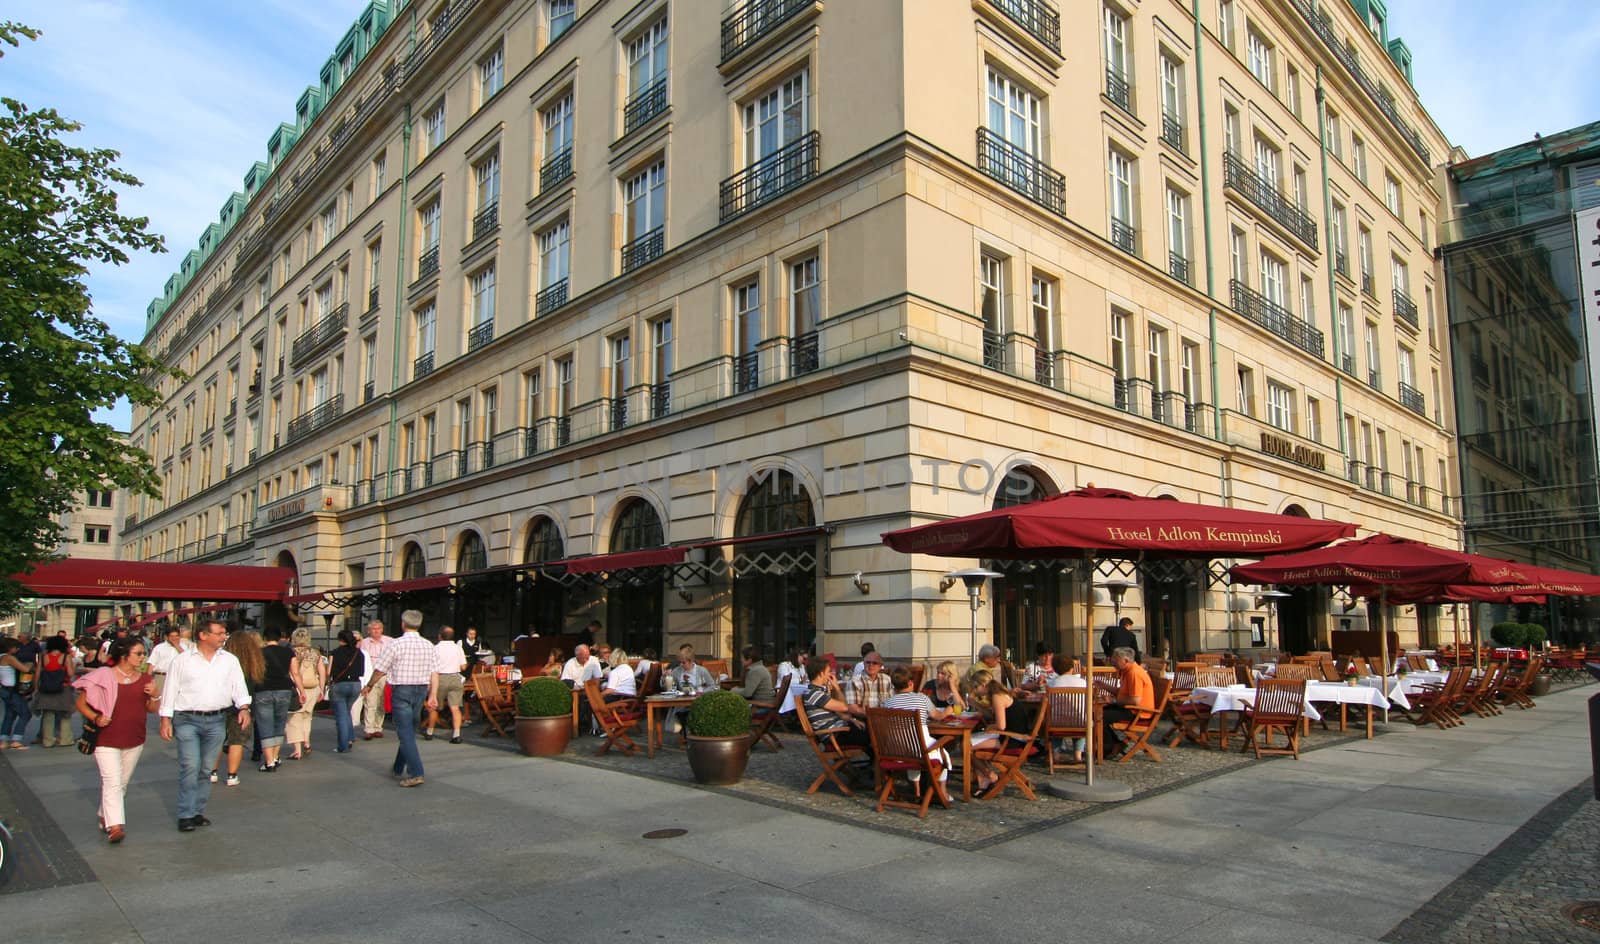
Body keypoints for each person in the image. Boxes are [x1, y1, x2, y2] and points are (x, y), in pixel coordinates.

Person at [159, 620, 252, 832]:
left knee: (206, 768)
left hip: (217, 719)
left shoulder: (229, 660)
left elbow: (239, 686)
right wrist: (165, 719)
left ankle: (197, 811)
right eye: (219, 633)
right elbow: (170, 689)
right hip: (187, 718)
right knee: (190, 765)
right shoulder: (182, 661)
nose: (223, 637)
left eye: (224, 633)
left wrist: (244, 708)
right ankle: (185, 813)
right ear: (203, 635)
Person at [72, 638, 160, 843]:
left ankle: (105, 815)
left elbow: (152, 709)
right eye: (138, 653)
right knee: (112, 782)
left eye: (142, 653)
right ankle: (115, 826)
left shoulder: (145, 678)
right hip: (106, 738)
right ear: (124, 655)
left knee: (122, 783)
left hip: (134, 737)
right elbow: (81, 703)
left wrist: (155, 695)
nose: (142, 657)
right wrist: (96, 718)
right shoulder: (103, 675)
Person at [360, 609, 439, 788]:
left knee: (405, 733)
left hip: (402, 689)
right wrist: (433, 694)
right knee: (409, 729)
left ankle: (416, 772)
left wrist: (370, 685)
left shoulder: (395, 644)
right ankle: (398, 766)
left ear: (403, 624)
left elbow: (381, 668)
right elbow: (435, 672)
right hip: (420, 690)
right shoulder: (428, 644)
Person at [882, 665, 952, 792]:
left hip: (896, 751)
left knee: (914, 748)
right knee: (942, 752)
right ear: (910, 683)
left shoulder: (888, 703)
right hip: (919, 751)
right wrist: (948, 710)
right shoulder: (921, 698)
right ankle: (942, 791)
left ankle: (917, 791)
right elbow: (937, 716)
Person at [214, 630, 263, 787]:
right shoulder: (254, 661)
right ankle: (232, 774)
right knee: (237, 741)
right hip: (244, 704)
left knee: (218, 739)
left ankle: (212, 771)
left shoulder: (223, 660)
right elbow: (257, 683)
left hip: (222, 703)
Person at [801, 659, 872, 754]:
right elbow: (844, 707)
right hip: (834, 735)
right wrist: (837, 688)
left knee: (872, 727)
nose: (831, 675)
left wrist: (852, 720)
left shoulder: (820, 691)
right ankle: (878, 765)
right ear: (821, 673)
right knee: (874, 734)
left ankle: (875, 763)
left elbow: (842, 711)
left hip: (840, 730)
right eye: (829, 671)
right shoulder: (814, 694)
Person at [1097, 646, 1154, 758]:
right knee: (1096, 712)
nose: (1112, 662)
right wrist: (1104, 686)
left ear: (1125, 661)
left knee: (1099, 716)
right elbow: (1122, 692)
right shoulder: (1126, 671)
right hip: (1130, 708)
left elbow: (1135, 700)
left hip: (1138, 712)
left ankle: (1110, 746)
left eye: (1115, 660)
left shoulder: (1134, 673)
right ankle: (1114, 744)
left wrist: (1113, 701)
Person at [251, 627, 294, 771]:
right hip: (284, 690)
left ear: (264, 638)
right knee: (279, 724)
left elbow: (254, 672)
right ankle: (275, 757)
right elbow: (295, 672)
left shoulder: (259, 652)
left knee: (265, 725)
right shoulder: (288, 652)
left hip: (263, 690)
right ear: (280, 638)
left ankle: (268, 762)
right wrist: (300, 690)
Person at [286, 628, 326, 760]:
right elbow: (322, 672)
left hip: (298, 688)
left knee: (294, 719)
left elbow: (292, 673)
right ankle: (307, 742)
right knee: (307, 717)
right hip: (313, 688)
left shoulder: (292, 652)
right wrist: (322, 689)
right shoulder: (315, 652)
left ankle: (297, 750)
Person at [33, 635, 78, 747]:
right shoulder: (65, 657)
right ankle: (65, 739)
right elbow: (70, 673)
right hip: (63, 688)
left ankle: (47, 741)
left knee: (48, 715)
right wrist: (75, 665)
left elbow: (38, 673)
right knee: (65, 714)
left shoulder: (43, 657)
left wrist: (36, 688)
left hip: (46, 689)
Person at [426, 626, 467, 743]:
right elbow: (463, 666)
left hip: (440, 678)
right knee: (455, 708)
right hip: (455, 677)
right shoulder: (458, 648)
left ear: (440, 636)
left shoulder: (436, 648)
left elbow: (431, 667)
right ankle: (456, 734)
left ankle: (430, 731)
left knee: (434, 707)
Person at [326, 629, 365, 753]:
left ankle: (343, 745)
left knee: (341, 716)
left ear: (340, 640)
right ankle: (350, 737)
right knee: (346, 711)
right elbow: (361, 671)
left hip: (340, 685)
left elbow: (328, 672)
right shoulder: (359, 653)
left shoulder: (335, 653)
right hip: (355, 684)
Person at [357, 620, 392, 739]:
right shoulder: (364, 643)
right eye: (373, 629)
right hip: (370, 675)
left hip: (384, 675)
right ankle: (368, 729)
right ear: (369, 630)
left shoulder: (390, 641)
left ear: (382, 629)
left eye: (378, 628)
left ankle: (378, 727)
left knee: (381, 703)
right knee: (370, 702)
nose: (376, 631)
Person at [0, 638, 35, 749]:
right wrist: (30, 664)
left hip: (4, 689)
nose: (18, 649)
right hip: (11, 691)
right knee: (25, 714)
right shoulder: (8, 657)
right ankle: (16, 739)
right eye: (16, 647)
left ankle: (4, 740)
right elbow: (24, 669)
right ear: (10, 648)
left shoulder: (1, 656)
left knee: (10, 715)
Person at [846, 649, 891, 716]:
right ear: (863, 664)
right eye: (868, 662)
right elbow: (852, 708)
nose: (871, 665)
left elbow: (891, 701)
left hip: (883, 718)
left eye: (874, 663)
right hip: (863, 719)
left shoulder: (886, 679)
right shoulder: (854, 681)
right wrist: (872, 715)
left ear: (880, 666)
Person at [146, 626, 189, 690]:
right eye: (172, 636)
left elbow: (187, 660)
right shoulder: (159, 647)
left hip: (178, 678)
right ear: (167, 637)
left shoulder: (185, 647)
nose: (174, 638)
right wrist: (148, 679)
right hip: (161, 677)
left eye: (176, 636)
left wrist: (177, 646)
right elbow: (151, 664)